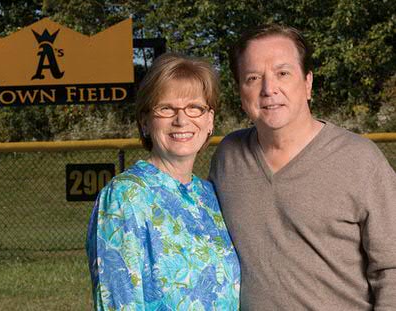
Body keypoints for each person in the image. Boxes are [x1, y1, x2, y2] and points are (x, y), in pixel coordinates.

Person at [209, 24, 396, 310]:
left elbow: (391, 269)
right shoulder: (227, 157)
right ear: (240, 92)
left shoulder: (360, 160)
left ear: (308, 83)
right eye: (253, 78)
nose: (269, 89)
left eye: (283, 73)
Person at [86, 53, 240, 310]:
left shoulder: (210, 195)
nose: (182, 120)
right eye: (166, 108)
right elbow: (119, 302)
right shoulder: (126, 196)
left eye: (195, 108)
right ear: (145, 122)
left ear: (209, 120)